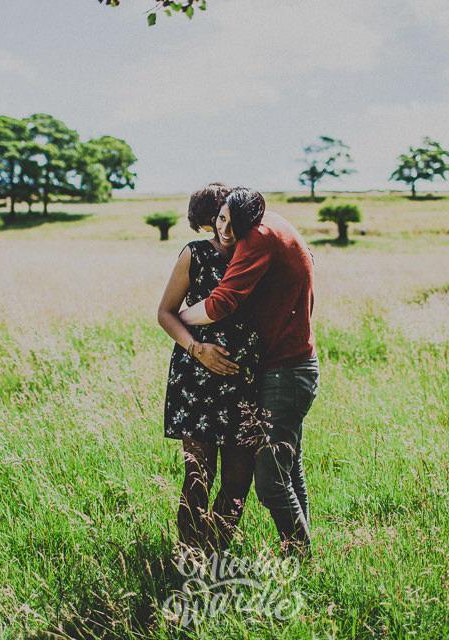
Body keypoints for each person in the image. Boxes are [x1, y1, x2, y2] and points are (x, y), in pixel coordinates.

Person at [180, 187, 318, 557]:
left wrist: (181, 318)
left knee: (272, 481)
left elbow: (222, 303)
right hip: (293, 363)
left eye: (229, 223)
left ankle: (300, 556)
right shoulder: (275, 222)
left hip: (284, 369)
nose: (225, 232)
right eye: (218, 222)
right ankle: (303, 554)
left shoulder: (257, 237)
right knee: (291, 468)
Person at [157, 183, 264, 551]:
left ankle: (216, 554)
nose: (226, 226)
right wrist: (197, 349)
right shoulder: (195, 254)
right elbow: (165, 313)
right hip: (196, 378)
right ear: (211, 217)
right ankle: (189, 558)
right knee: (198, 474)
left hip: (244, 380)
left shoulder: (256, 255)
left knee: (238, 478)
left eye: (234, 215)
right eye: (220, 215)